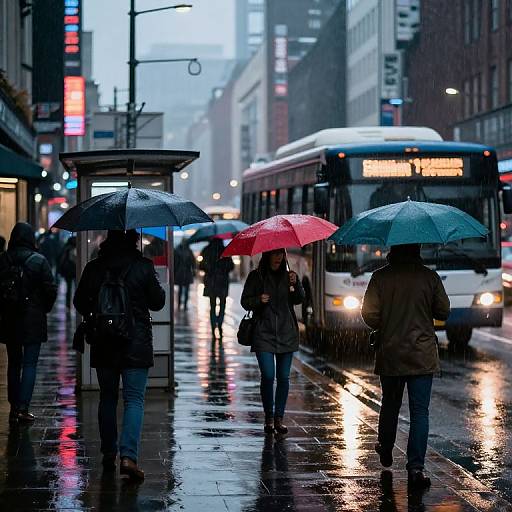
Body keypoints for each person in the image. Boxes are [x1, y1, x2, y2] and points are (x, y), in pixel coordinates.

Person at [74, 230, 165, 481]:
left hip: (104, 342)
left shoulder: (94, 268)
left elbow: (80, 302)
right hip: (135, 343)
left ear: (107, 240)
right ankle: (128, 457)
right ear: (134, 241)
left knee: (107, 397)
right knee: (134, 399)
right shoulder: (143, 266)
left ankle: (108, 453)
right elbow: (158, 302)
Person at [361, 243, 450, 488]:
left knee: (390, 404)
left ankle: (386, 446)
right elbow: (444, 310)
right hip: (421, 355)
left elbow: (369, 315)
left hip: (390, 353)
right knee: (419, 412)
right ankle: (416, 468)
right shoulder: (429, 277)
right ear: (418, 248)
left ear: (393, 248)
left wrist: (388, 321)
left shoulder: (380, 277)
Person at [241, 249, 304, 435]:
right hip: (263, 334)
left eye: (280, 254)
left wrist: (296, 284)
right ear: (267, 256)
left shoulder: (290, 276)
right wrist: (258, 299)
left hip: (287, 333)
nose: (278, 258)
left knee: (283, 378)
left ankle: (279, 418)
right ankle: (268, 416)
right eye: (274, 254)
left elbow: (299, 299)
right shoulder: (257, 277)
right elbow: (245, 302)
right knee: (268, 376)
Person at [0, 222, 57, 424]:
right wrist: (43, 308)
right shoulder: (39, 261)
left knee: (14, 363)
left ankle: (14, 407)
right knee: (30, 363)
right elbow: (50, 290)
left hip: (9, 319)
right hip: (33, 319)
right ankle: (23, 408)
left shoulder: (3, 260)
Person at [200, 238, 234, 338]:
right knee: (222, 304)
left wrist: (210, 269)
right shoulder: (225, 250)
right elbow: (231, 266)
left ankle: (213, 325)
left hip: (211, 282)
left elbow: (201, 266)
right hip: (223, 282)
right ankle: (220, 323)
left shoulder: (206, 250)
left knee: (212, 305)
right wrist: (223, 269)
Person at [174, 238, 195, 310]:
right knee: (184, 290)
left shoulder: (177, 250)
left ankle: (182, 304)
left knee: (182, 290)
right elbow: (193, 262)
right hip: (185, 272)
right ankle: (182, 305)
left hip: (182, 272)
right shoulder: (189, 251)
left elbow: (175, 263)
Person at [58, 236, 77, 310]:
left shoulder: (65, 248)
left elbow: (61, 260)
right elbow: (74, 260)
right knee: (76, 288)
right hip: (74, 271)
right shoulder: (74, 249)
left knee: (68, 289)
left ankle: (68, 304)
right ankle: (74, 303)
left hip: (67, 272)